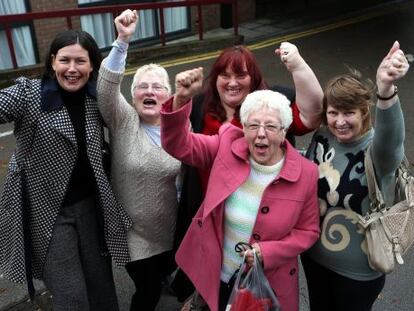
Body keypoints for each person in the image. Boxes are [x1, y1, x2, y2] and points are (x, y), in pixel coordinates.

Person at [172, 40, 324, 301]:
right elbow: (181, 144)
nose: (232, 82)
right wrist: (180, 98)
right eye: (225, 75)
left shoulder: (275, 102)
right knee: (209, 282)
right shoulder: (206, 111)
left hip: (263, 243)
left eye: (241, 75)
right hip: (210, 211)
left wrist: (297, 64)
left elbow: (312, 113)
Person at [0, 29, 132, 310]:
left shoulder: (96, 96)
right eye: (64, 60)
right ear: (52, 62)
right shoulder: (29, 94)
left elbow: (130, 119)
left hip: (90, 206)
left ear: (92, 65)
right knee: (72, 297)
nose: (72, 69)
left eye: (80, 61)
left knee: (102, 291)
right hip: (47, 212)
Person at [301, 41, 409, 311]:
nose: (340, 121)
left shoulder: (377, 151)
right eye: (334, 112)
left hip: (358, 275)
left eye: (349, 112)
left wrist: (386, 91)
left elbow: (392, 140)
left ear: (364, 112)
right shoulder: (323, 137)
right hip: (313, 259)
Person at [97, 9, 182, 311]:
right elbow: (106, 88)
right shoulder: (124, 121)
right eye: (141, 87)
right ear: (132, 97)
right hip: (133, 234)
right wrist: (122, 41)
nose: (149, 91)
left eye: (157, 86)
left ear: (168, 95)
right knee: (146, 292)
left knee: (165, 279)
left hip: (172, 230)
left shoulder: (182, 127)